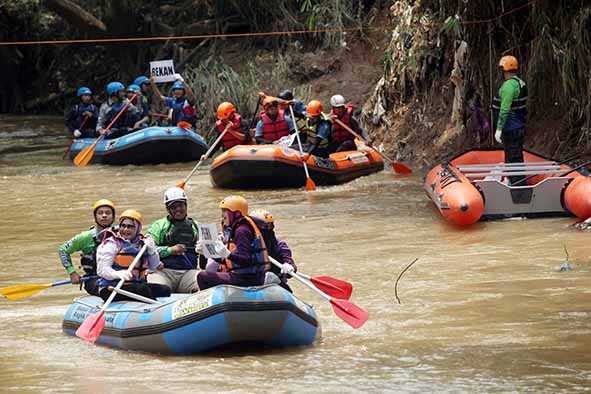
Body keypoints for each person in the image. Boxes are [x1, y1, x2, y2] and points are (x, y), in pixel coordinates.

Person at [196, 196, 270, 290]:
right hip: (245, 276)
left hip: (248, 279)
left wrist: (228, 254)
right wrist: (208, 254)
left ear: (236, 213)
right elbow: (231, 262)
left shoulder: (241, 231)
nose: (222, 215)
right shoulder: (236, 229)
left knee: (202, 276)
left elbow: (245, 260)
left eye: (225, 211)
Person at [96, 209, 170, 302]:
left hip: (135, 284)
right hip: (111, 288)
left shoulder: (143, 243)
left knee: (165, 290)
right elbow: (102, 270)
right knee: (143, 289)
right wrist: (117, 274)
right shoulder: (111, 243)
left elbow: (154, 266)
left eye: (130, 227)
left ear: (138, 228)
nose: (126, 229)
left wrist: (152, 250)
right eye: (123, 226)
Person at [146, 187, 203, 294]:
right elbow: (145, 250)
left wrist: (205, 249)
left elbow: (212, 252)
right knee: (156, 289)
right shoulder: (158, 226)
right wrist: (170, 250)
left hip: (189, 272)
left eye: (180, 205)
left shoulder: (197, 226)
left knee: (204, 284)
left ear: (186, 205)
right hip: (163, 272)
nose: (178, 209)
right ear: (168, 209)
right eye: (173, 207)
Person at [58, 199, 115, 296]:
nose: (104, 215)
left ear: (113, 216)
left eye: (108, 213)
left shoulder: (121, 234)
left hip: (116, 278)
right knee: (108, 290)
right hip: (94, 279)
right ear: (95, 217)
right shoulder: (85, 237)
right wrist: (72, 272)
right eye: (100, 213)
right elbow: (63, 250)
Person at [492, 55, 528, 185]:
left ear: (505, 69)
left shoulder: (509, 86)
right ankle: (514, 184)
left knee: (513, 159)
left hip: (511, 129)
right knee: (515, 157)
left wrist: (499, 129)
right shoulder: (520, 83)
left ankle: (518, 188)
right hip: (518, 127)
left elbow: (504, 109)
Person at [250, 208, 297, 292]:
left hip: (274, 284)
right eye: (265, 226)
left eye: (269, 225)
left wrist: (289, 266)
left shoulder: (280, 245)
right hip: (251, 283)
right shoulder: (245, 242)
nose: (268, 228)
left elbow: (290, 263)